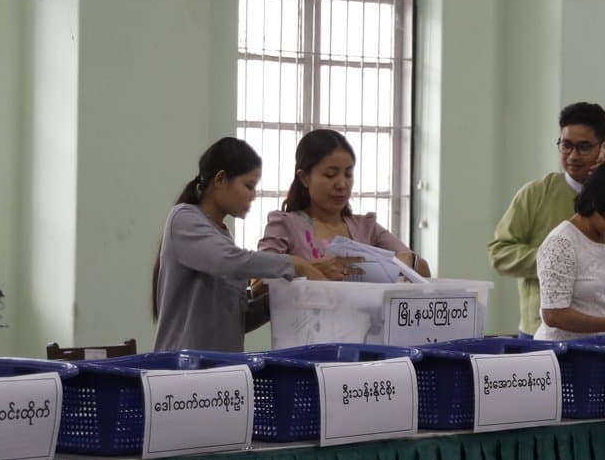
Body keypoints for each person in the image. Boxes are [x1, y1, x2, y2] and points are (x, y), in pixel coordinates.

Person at [489, 102, 605, 337]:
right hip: (542, 329)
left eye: (584, 147)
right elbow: (499, 253)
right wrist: (560, 262)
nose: (573, 156)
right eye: (566, 146)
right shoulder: (536, 194)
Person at [153, 137, 329, 352]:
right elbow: (229, 261)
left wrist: (271, 302)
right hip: (181, 373)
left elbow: (233, 321)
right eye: (248, 186)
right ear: (220, 179)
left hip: (223, 372)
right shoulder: (183, 219)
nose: (253, 196)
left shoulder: (222, 236)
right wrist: (295, 264)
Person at [259, 129, 430, 279]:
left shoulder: (367, 228)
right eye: (330, 175)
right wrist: (307, 270)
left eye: (348, 175)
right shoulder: (285, 225)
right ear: (304, 177)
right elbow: (258, 282)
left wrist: (398, 263)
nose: (341, 184)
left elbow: (422, 269)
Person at [533, 160, 605, 341]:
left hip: (602, 348)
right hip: (564, 354)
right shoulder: (562, 242)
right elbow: (554, 315)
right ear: (599, 200)